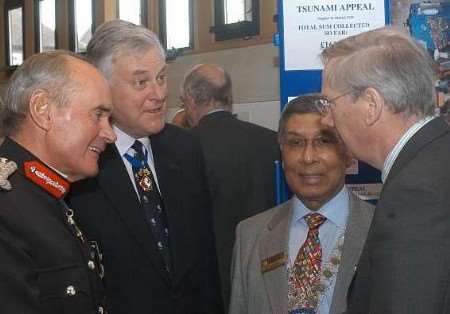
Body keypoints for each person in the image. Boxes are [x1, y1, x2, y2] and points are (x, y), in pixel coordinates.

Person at [68, 20, 224, 314]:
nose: (159, 93)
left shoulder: (187, 148)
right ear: (103, 87)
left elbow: (205, 260)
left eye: (162, 77)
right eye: (141, 82)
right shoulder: (81, 163)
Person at [319, 26, 450, 313]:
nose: (327, 120)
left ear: (371, 105)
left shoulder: (415, 195)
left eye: (329, 103)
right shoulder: (436, 161)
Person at [229, 94, 374, 314]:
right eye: (295, 143)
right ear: (282, 152)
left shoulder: (382, 231)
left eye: (324, 141)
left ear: (348, 153)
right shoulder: (250, 235)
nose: (308, 157)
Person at [0, 50, 116, 313]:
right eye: (98, 115)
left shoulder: (47, 197)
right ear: (43, 110)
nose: (109, 134)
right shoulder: (7, 209)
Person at [180, 63, 280, 306]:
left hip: (209, 278)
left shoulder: (183, 148)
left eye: (183, 102)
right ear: (229, 97)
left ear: (192, 99)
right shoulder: (270, 140)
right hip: (270, 266)